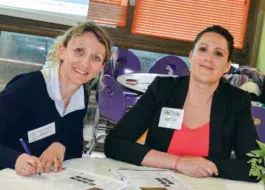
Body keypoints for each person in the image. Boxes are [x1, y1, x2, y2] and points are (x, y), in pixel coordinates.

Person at [104, 25, 259, 182]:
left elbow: (255, 167)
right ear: (191, 56)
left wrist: (203, 165)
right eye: (203, 49)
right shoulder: (162, 89)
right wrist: (178, 163)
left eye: (218, 53)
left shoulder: (236, 101)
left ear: (227, 66)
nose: (209, 58)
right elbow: (114, 143)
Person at [0, 22, 111, 181]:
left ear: (101, 66)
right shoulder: (26, 86)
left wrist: (60, 145)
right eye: (79, 51)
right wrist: (14, 159)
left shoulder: (81, 95)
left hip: (39, 181)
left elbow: (74, 153)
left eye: (96, 58)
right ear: (62, 51)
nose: (85, 63)